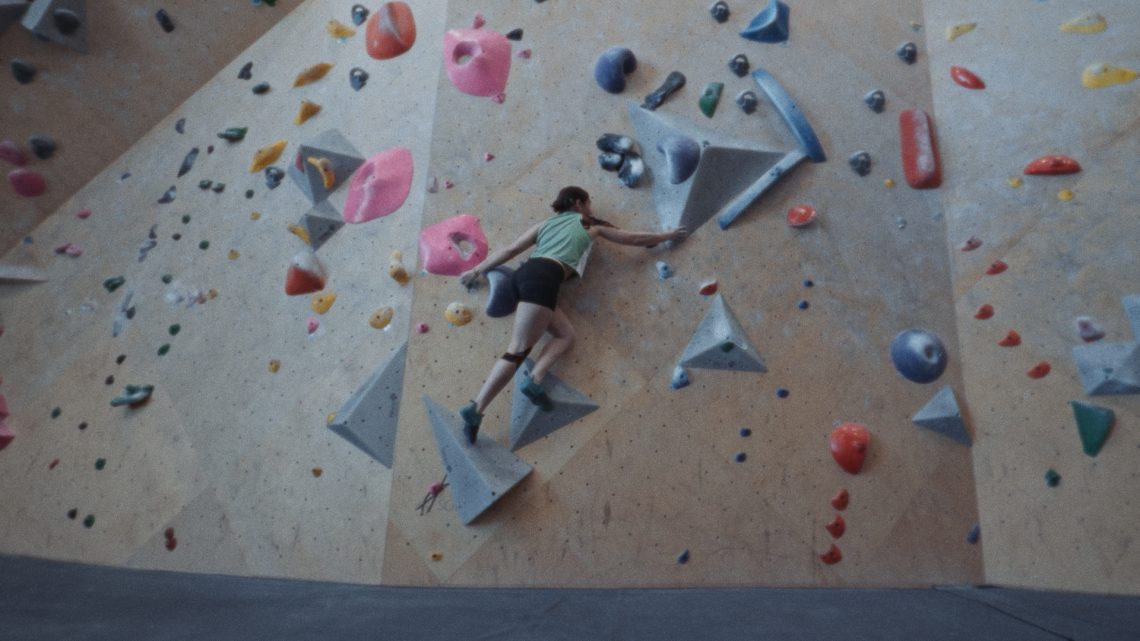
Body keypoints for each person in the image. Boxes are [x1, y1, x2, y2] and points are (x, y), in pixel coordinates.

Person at [457, 186, 688, 444]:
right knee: (517, 350)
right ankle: (476, 408)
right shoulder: (590, 225)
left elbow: (510, 250)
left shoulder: (545, 224)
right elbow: (632, 238)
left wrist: (476, 271)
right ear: (578, 203)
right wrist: (667, 235)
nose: (590, 208)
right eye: (588, 203)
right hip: (544, 279)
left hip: (525, 276)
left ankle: (534, 379)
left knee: (565, 335)